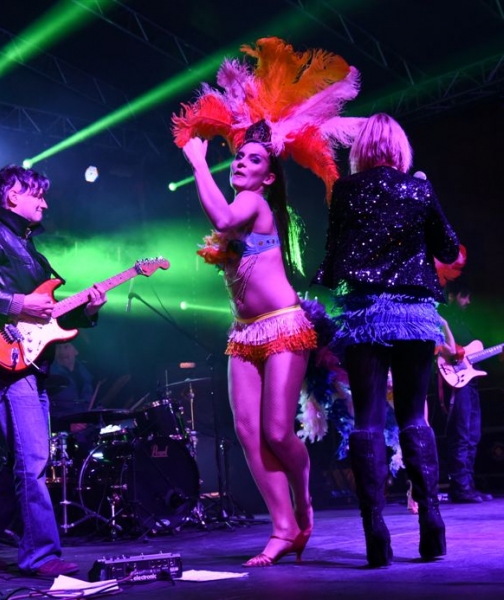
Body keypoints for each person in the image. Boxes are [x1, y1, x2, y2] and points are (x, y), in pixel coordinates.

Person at [314, 113, 460, 567]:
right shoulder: (419, 188)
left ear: (361, 150)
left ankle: (375, 533)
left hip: (365, 317)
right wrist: (425, 195)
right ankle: (431, 523)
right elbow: (449, 249)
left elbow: (332, 258)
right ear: (400, 148)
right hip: (414, 315)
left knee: (368, 420)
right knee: (415, 416)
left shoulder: (345, 190)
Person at [0, 164, 107, 575]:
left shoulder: (34, 254)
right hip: (6, 361)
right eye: (37, 195)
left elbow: (50, 316)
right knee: (33, 459)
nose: (45, 204)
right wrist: (19, 303)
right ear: (12, 195)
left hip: (33, 363)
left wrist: (88, 312)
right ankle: (40, 555)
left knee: (24, 460)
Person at [182, 123, 316, 567]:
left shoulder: (253, 202)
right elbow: (222, 223)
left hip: (282, 325)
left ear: (268, 177)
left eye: (254, 159)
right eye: (239, 156)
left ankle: (303, 498)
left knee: (277, 431)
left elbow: (222, 219)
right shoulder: (238, 206)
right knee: (247, 431)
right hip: (243, 332)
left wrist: (198, 163)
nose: (242, 162)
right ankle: (283, 529)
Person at [438, 280, 504, 503]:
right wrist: (451, 352)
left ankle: (467, 485)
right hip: (455, 382)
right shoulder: (441, 318)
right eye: (464, 296)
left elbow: (476, 355)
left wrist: (502, 356)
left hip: (470, 382)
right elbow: (440, 348)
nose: (468, 301)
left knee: (473, 434)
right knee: (461, 434)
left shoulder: (465, 322)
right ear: (451, 296)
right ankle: (460, 487)